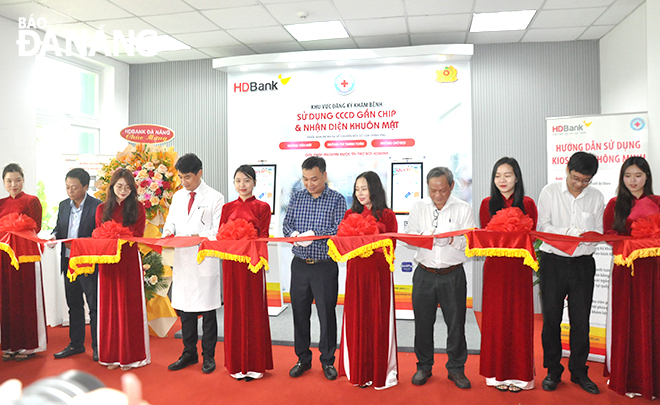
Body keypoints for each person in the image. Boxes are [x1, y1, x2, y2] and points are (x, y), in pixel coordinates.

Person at [537, 151, 604, 394]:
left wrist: (585, 240)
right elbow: (542, 227)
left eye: (585, 180)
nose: (579, 184)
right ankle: (553, 371)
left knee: (580, 321)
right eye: (576, 178)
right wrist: (570, 234)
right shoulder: (550, 192)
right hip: (553, 263)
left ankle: (578, 371)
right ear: (567, 170)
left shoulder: (596, 197)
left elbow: (598, 232)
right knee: (551, 320)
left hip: (583, 265)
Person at [406, 166, 475, 389]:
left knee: (456, 325)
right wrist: (426, 238)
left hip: (452, 274)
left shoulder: (464, 208)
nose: (437, 195)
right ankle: (423, 366)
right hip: (424, 273)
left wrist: (452, 239)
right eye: (433, 190)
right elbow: (410, 239)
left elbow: (469, 244)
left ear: (452, 186)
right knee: (423, 324)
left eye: (443, 190)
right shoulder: (418, 207)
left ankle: (456, 369)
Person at [283, 156, 347, 380]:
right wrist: (294, 236)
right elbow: (287, 224)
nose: (309, 184)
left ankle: (328, 361)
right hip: (300, 265)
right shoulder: (297, 197)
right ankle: (303, 358)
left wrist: (314, 237)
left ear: (324, 176)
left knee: (326, 314)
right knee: (300, 314)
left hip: (324, 267)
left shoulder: (337, 199)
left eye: (314, 179)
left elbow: (338, 228)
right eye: (305, 179)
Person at [603, 156, 660, 399]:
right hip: (626, 271)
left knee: (653, 319)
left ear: (647, 176)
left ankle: (653, 379)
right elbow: (608, 235)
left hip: (654, 272)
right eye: (628, 176)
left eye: (638, 175)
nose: (633, 180)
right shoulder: (615, 203)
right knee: (627, 319)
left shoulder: (657, 202)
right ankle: (628, 378)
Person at [478, 158, 537, 392]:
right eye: (498, 176)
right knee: (495, 320)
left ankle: (521, 377)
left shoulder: (528, 203)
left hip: (520, 269)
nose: (502, 180)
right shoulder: (486, 204)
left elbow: (531, 236)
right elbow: (487, 238)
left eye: (508, 175)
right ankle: (497, 375)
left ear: (517, 177)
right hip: (495, 269)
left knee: (519, 319)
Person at [163, 153, 223, 374]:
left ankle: (209, 356)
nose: (184, 182)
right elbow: (171, 220)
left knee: (207, 313)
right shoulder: (178, 196)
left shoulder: (215, 197)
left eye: (187, 177)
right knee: (186, 311)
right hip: (183, 261)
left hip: (203, 260)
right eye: (180, 177)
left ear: (200, 173)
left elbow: (218, 231)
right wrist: (168, 231)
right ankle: (189, 353)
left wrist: (193, 236)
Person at [337, 171, 398, 389]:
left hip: (379, 275)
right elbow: (343, 245)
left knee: (378, 319)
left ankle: (381, 372)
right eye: (357, 189)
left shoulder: (388, 216)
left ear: (375, 188)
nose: (360, 193)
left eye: (364, 188)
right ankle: (359, 372)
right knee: (357, 319)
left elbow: (392, 245)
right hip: (356, 275)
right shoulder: (349, 213)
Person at [219, 165, 273, 381]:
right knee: (233, 310)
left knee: (253, 310)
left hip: (252, 265)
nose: (242, 185)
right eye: (238, 181)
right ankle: (236, 364)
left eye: (247, 181)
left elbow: (265, 236)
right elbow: (221, 235)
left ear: (254, 183)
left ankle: (255, 365)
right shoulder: (227, 208)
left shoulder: (262, 207)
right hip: (231, 265)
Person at [95, 168, 149, 370]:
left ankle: (130, 356)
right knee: (109, 307)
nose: (123, 190)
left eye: (127, 187)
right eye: (119, 186)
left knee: (129, 306)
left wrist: (119, 233)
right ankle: (112, 355)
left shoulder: (138, 207)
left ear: (132, 188)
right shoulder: (102, 208)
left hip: (128, 259)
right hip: (108, 260)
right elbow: (98, 234)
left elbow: (138, 233)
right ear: (112, 187)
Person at [50, 168, 102, 362]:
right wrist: (54, 236)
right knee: (74, 305)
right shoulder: (64, 205)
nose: (70, 191)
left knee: (94, 307)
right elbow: (59, 227)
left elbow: (100, 234)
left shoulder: (97, 206)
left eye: (74, 187)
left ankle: (98, 346)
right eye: (67, 187)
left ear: (86, 187)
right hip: (68, 261)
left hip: (88, 263)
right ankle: (76, 344)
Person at [0, 163, 46, 361]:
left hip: (27, 256)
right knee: (7, 298)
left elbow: (36, 227)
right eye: (9, 181)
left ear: (23, 180)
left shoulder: (32, 201)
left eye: (17, 180)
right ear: (4, 182)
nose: (13, 184)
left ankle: (29, 345)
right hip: (4, 257)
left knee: (27, 297)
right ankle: (10, 345)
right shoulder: (0, 203)